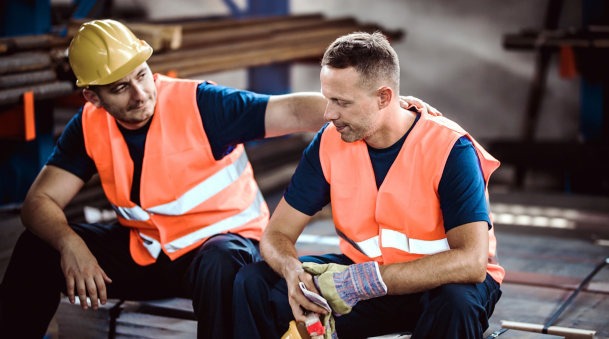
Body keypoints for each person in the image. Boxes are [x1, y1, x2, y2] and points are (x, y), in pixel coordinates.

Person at [0, 21, 429, 339]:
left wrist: (383, 111)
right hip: (146, 250)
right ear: (91, 95)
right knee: (38, 246)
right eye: (119, 88)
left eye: (143, 75)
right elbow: (39, 201)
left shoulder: (201, 104)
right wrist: (69, 244)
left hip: (224, 246)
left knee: (221, 262)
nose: (141, 94)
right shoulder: (89, 125)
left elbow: (293, 111)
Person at [233, 32, 504, 339]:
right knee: (255, 281)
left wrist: (365, 281)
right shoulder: (329, 142)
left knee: (456, 306)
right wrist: (292, 271)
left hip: (439, 284)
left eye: (341, 102)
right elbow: (277, 234)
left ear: (384, 97)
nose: (328, 114)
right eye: (327, 98)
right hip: (366, 279)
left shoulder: (450, 149)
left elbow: (472, 263)